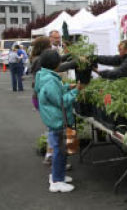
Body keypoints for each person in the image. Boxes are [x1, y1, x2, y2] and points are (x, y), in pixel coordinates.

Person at [34, 49, 82, 192]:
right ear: (55, 64)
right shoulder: (50, 80)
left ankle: (58, 175)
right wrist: (76, 90)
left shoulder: (44, 75)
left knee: (60, 149)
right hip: (58, 120)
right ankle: (56, 181)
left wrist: (68, 86)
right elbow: (62, 101)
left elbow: (55, 93)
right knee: (60, 151)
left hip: (54, 118)